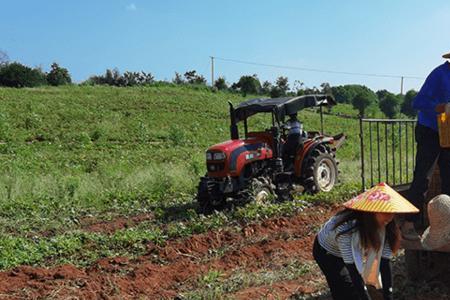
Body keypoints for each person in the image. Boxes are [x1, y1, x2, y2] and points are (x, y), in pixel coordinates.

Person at [313, 183, 419, 300]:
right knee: (345, 291)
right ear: (372, 212)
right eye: (385, 212)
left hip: (345, 254)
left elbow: (384, 263)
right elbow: (353, 271)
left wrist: (388, 295)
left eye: (392, 212)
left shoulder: (388, 228)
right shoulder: (346, 229)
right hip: (327, 253)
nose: (389, 216)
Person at [402, 51, 450, 240]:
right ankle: (409, 224)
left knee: (449, 178)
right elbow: (419, 102)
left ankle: (445, 225)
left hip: (447, 132)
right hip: (429, 130)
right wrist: (440, 107)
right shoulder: (439, 74)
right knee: (423, 176)